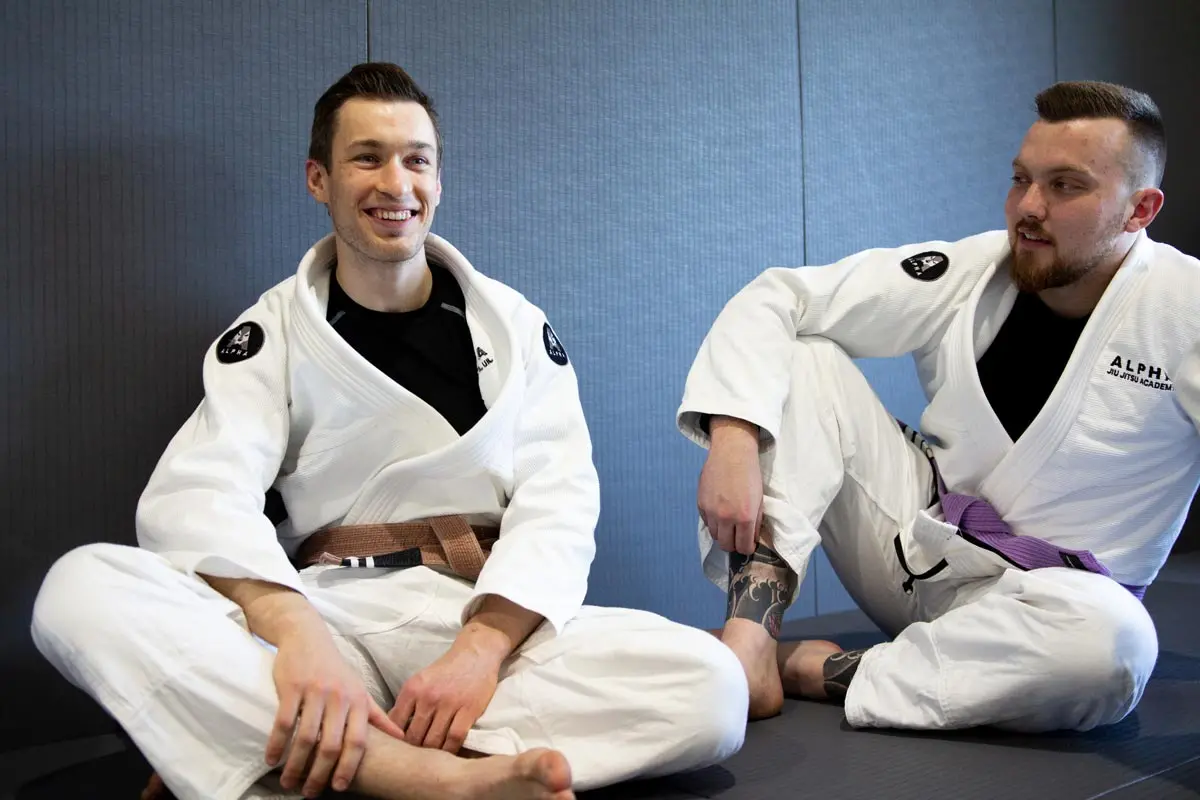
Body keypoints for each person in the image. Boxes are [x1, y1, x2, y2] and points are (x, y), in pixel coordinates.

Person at [31, 62, 747, 800]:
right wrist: (299, 639)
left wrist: (480, 651)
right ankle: (431, 779)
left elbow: (559, 504)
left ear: (438, 179)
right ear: (319, 179)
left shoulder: (516, 325)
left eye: (416, 160)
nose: (395, 184)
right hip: (325, 614)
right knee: (77, 589)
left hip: (476, 618)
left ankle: (286, 755)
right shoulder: (270, 333)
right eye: (366, 158)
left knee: (711, 686)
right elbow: (199, 497)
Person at [680, 80, 1199, 729]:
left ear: (1140, 209)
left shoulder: (1186, 312)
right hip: (916, 554)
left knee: (1119, 644)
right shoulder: (973, 270)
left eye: (1065, 186)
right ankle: (752, 643)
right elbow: (779, 297)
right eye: (1020, 179)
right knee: (805, 353)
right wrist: (732, 436)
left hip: (1049, 615)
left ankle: (825, 671)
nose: (1027, 208)